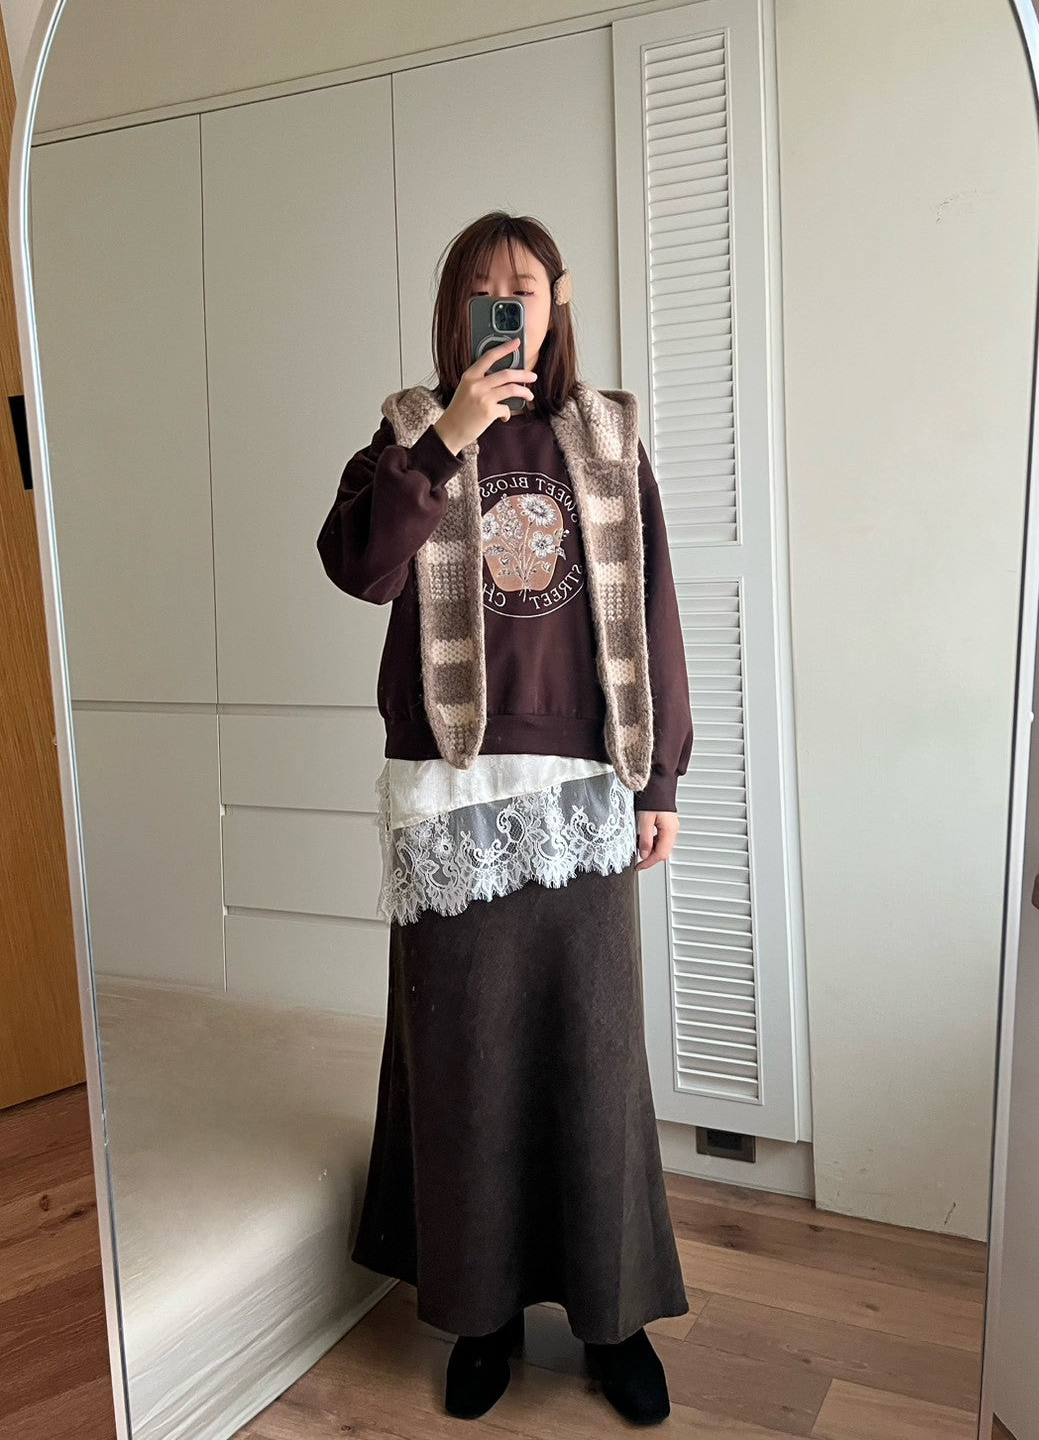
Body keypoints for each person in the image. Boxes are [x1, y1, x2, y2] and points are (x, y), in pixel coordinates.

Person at [316, 210, 694, 1426]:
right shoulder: (405, 435)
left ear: (556, 298)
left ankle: (612, 1320)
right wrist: (450, 437)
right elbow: (360, 568)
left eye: (521, 285)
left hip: (583, 788)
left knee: (595, 1062)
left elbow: (655, 611)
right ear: (453, 312)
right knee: (464, 1066)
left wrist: (662, 780)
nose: (503, 304)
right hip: (452, 796)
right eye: (479, 289)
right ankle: (479, 1317)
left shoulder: (608, 435)